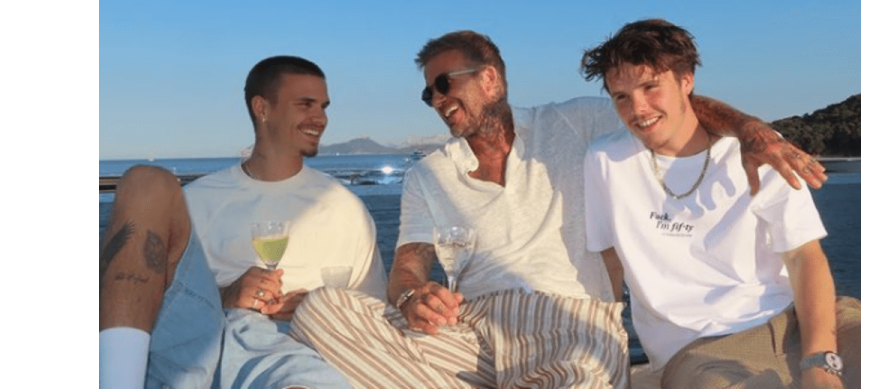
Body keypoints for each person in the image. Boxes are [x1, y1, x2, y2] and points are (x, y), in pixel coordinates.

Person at [290, 31, 827, 388]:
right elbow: (409, 260)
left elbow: (662, 108)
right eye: (428, 93)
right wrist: (411, 295)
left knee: (580, 375)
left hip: (568, 320)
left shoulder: (572, 124)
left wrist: (751, 129)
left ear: (491, 79)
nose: (435, 98)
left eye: (444, 83)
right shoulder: (428, 173)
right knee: (322, 311)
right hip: (469, 329)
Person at [580, 19, 860, 389]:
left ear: (686, 81)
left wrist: (820, 363)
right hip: (703, 349)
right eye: (621, 97)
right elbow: (609, 264)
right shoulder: (606, 160)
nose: (638, 108)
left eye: (650, 87)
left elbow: (804, 257)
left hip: (800, 317)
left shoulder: (759, 149)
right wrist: (604, 348)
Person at [99, 56, 386, 389]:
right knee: (144, 182)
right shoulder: (197, 200)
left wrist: (319, 307)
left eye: (323, 106)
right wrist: (225, 295)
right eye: (305, 104)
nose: (320, 118)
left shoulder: (345, 209)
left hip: (297, 351)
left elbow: (375, 313)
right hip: (202, 338)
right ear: (262, 108)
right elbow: (147, 300)